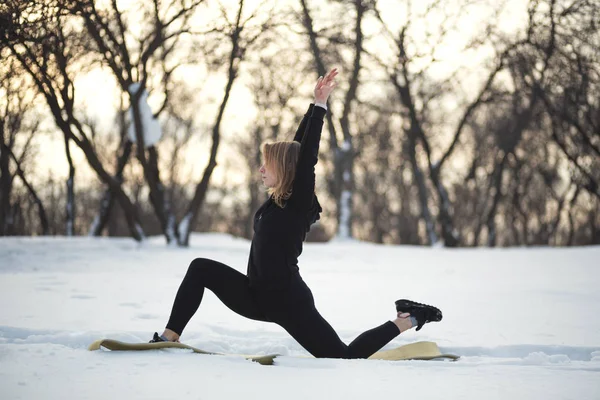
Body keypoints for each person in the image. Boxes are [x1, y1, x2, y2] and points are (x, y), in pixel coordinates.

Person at [150, 68, 442, 358]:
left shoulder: (297, 203)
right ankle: (169, 337)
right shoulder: (275, 202)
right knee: (200, 267)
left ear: (285, 170)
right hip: (254, 295)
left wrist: (321, 107)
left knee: (343, 357)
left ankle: (408, 318)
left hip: (288, 302)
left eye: (268, 164)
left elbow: (306, 156)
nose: (261, 169)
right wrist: (311, 104)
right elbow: (297, 149)